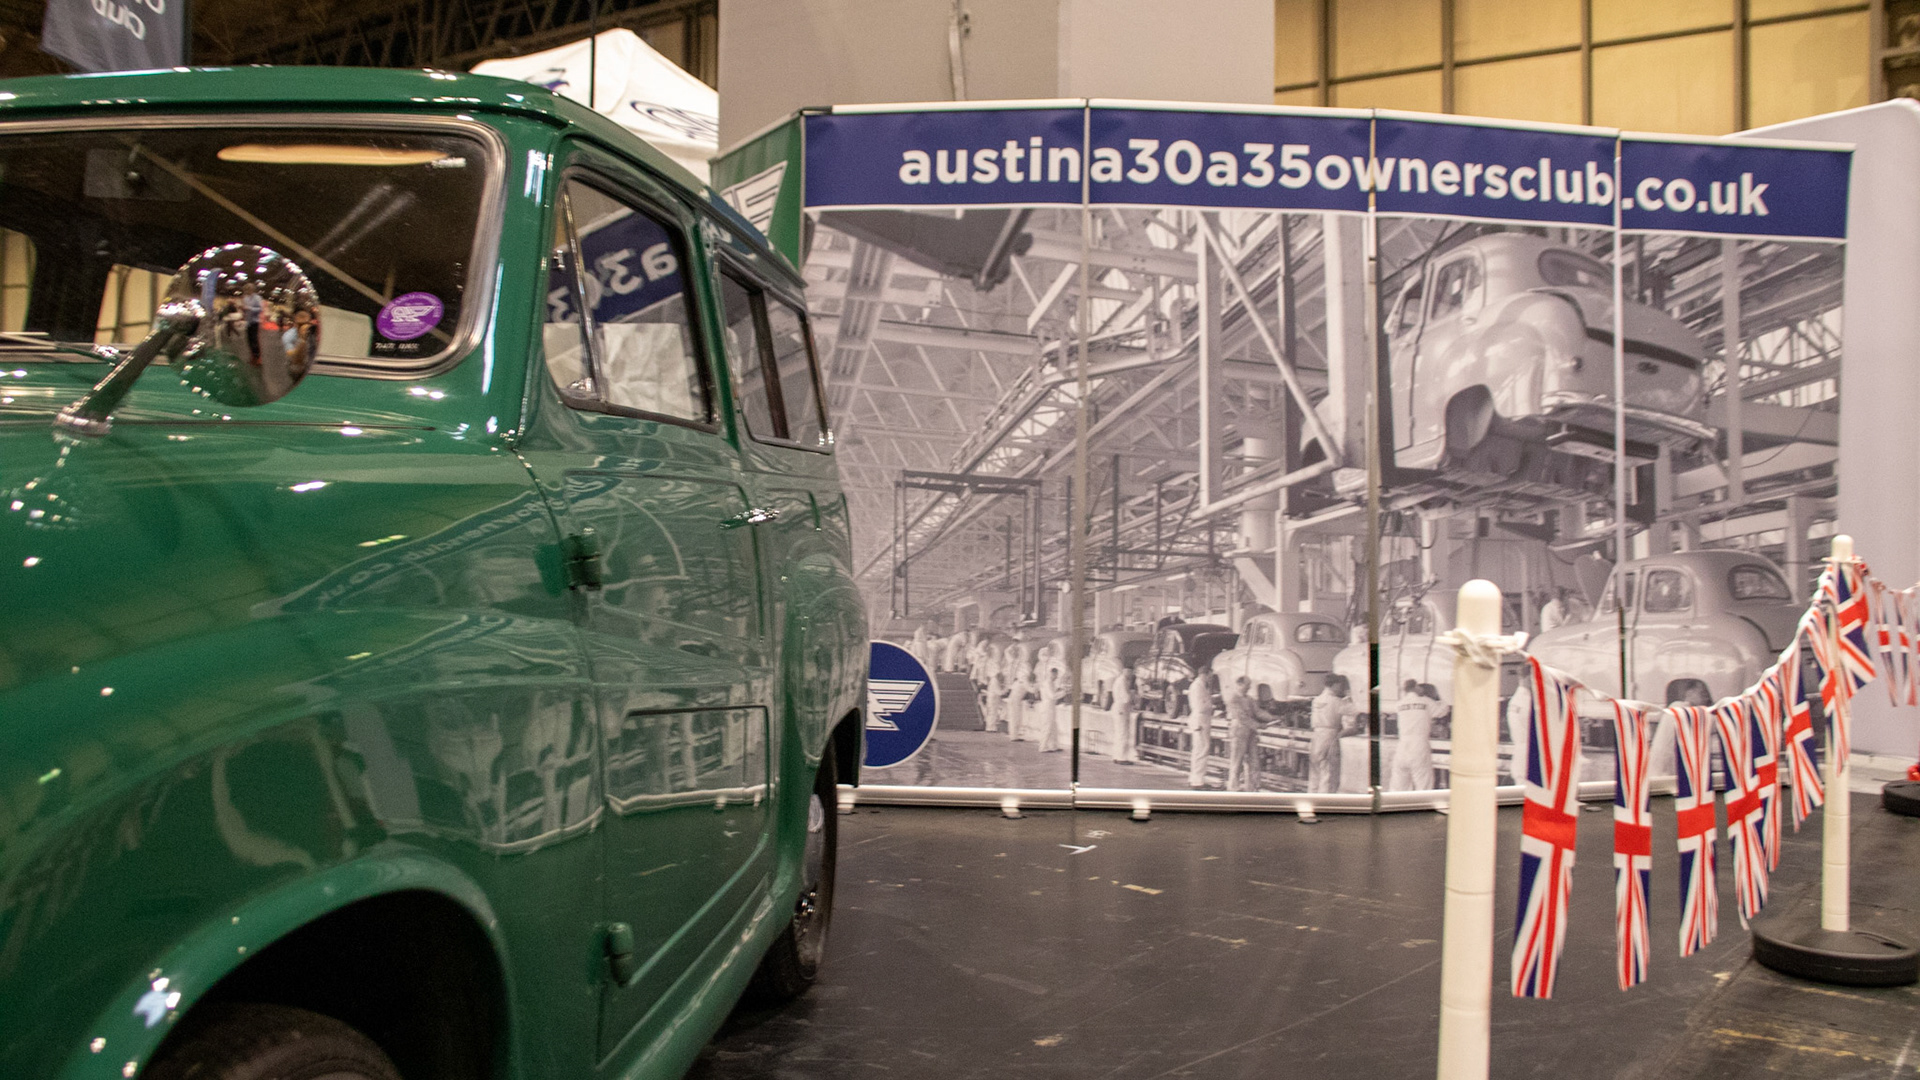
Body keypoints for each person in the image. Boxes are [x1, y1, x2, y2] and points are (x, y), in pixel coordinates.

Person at [1309, 674, 1361, 793]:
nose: (1341, 687)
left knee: (1314, 772)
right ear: (1335, 684)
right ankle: (1325, 800)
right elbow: (1357, 710)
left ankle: (1312, 796)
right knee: (1328, 772)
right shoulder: (1337, 702)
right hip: (1330, 736)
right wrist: (1350, 696)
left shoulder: (1316, 700)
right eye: (1340, 685)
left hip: (1316, 735)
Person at [1388, 679, 1437, 791]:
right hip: (1419, 746)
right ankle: (1422, 803)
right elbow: (1443, 710)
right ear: (1416, 687)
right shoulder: (1426, 701)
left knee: (1398, 786)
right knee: (1423, 784)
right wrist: (1437, 697)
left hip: (1402, 747)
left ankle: (1395, 802)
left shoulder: (1399, 704)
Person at [1224, 674, 1263, 792]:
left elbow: (1258, 712)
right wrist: (1258, 725)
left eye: (1249, 685)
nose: (1249, 687)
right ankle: (1233, 788)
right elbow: (1242, 717)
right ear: (1239, 684)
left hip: (1250, 732)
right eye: (1247, 685)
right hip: (1239, 732)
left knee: (1254, 760)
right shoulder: (1233, 699)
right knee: (1237, 761)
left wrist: (1272, 717)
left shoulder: (1250, 699)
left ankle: (1253, 787)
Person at [1186, 671, 1217, 788]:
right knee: (1202, 751)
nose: (1211, 679)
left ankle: (1194, 778)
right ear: (1204, 674)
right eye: (1210, 676)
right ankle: (1198, 781)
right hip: (1201, 720)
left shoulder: (1199, 685)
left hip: (1201, 720)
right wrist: (1212, 705)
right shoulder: (1198, 686)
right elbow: (1200, 706)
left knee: (1198, 751)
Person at [1110, 669, 1139, 764]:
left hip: (1119, 708)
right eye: (1130, 672)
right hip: (1122, 709)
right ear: (1126, 671)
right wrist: (1133, 694)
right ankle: (1122, 758)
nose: (1131, 674)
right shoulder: (1122, 681)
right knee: (1123, 733)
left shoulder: (1120, 680)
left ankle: (1116, 756)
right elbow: (1126, 698)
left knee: (1118, 733)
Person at [1037, 663, 1065, 753]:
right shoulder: (1047, 683)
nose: (1057, 677)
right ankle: (1043, 747)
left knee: (1053, 727)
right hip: (1047, 707)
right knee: (1047, 727)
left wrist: (1060, 690)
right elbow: (1052, 696)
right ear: (1053, 674)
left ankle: (1053, 746)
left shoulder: (1050, 683)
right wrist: (1063, 692)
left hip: (1050, 707)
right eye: (1056, 675)